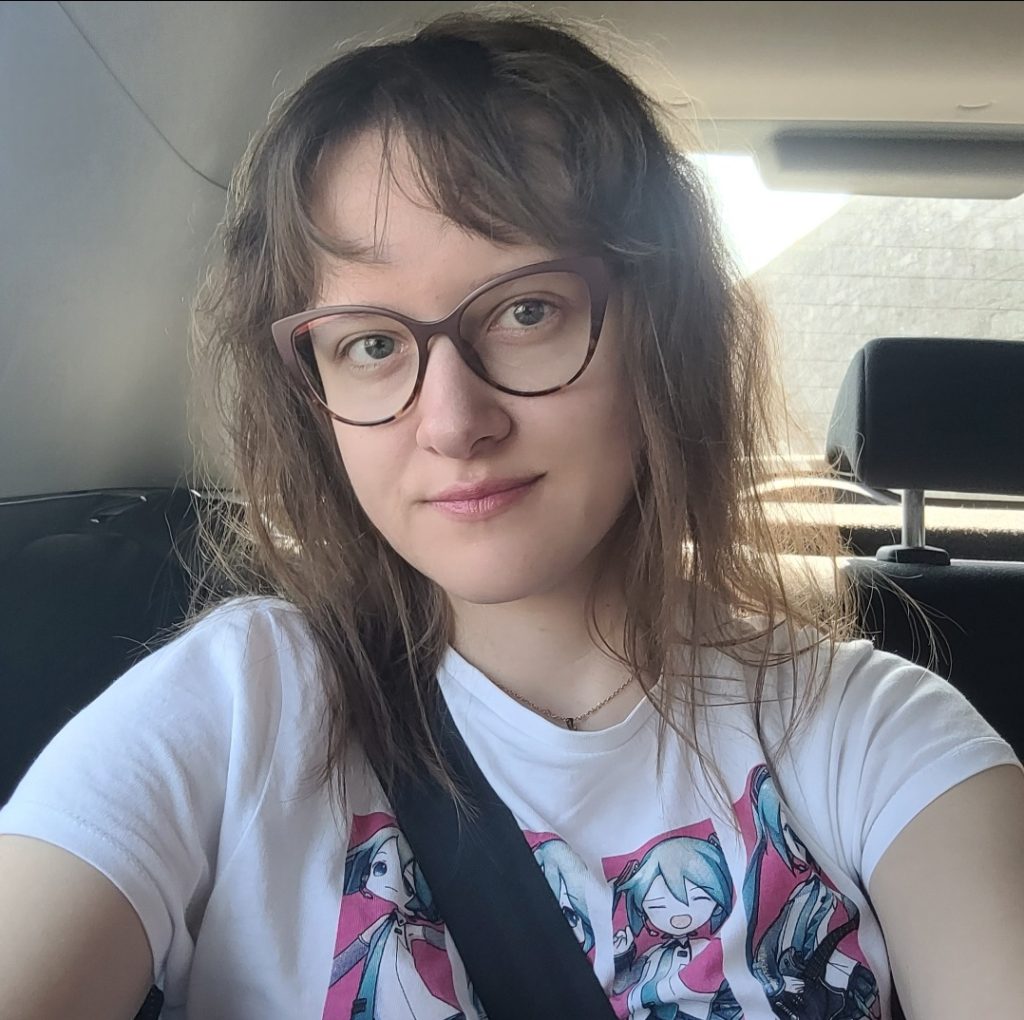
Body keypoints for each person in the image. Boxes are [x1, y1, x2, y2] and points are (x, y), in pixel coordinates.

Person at [1, 11, 1022, 1020]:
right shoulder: (233, 707)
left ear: (663, 332)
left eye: (528, 311)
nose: (453, 422)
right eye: (370, 345)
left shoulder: (872, 736)